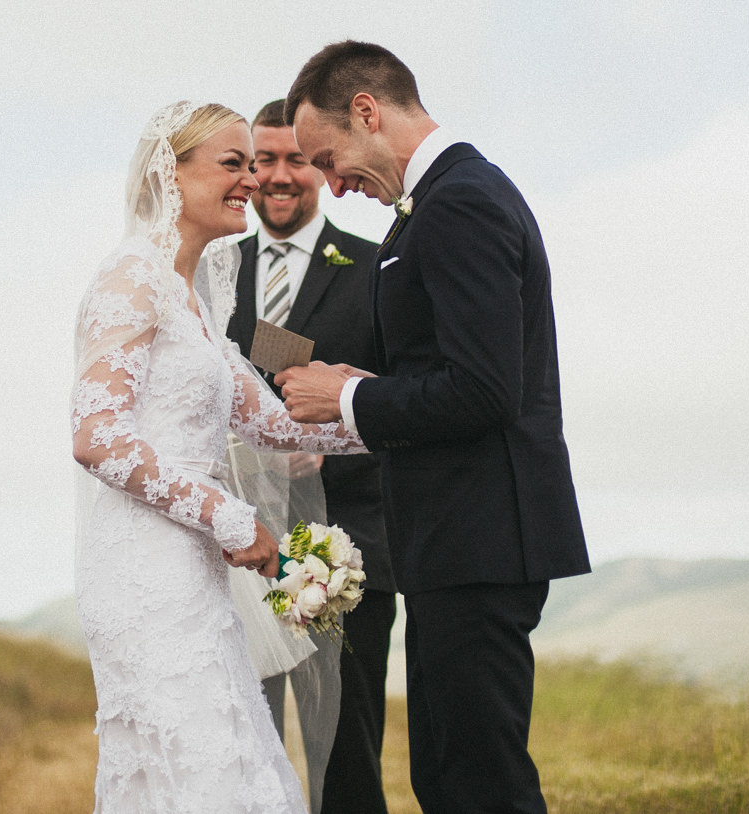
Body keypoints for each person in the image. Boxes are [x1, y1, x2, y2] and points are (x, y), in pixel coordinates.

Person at [277, 42, 590, 814]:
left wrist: (350, 403)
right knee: (449, 776)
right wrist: (364, 383)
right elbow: (444, 366)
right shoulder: (434, 203)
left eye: (326, 159)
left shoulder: (460, 201)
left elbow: (485, 390)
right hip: (456, 539)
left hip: (482, 535)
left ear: (367, 112)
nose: (331, 183)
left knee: (478, 782)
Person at [71, 100, 371, 813]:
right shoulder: (131, 278)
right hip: (145, 567)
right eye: (233, 164)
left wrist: (376, 411)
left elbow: (269, 422)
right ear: (169, 176)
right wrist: (229, 517)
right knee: (189, 761)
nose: (252, 181)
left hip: (195, 567)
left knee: (231, 760)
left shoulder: (196, 295)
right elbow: (96, 435)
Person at [227, 99, 393, 814]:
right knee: (241, 741)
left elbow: (408, 402)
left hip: (347, 543)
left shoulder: (376, 265)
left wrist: (331, 459)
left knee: (345, 747)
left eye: (295, 158)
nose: (278, 175)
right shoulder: (210, 266)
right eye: (262, 160)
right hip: (236, 546)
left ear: (320, 166)